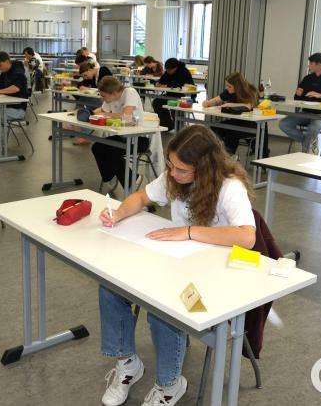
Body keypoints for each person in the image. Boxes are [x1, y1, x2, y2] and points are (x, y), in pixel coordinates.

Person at [98, 125, 257, 406]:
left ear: (205, 167)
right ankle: (128, 364)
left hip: (214, 277)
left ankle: (170, 385)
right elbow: (142, 197)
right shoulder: (175, 177)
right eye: (171, 166)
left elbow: (246, 236)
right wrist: (118, 213)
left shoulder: (230, 188)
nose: (173, 174)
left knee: (164, 308)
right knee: (110, 285)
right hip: (177, 263)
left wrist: (188, 231)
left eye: (181, 169)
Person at [92, 77, 148, 194]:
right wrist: (88, 113)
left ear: (114, 93)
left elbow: (126, 116)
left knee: (113, 150)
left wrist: (104, 114)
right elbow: (100, 111)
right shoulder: (110, 99)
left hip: (138, 139)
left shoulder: (130, 92)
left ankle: (133, 180)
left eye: (104, 96)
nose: (102, 98)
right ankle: (110, 177)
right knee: (97, 147)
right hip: (123, 136)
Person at [279, 52, 321, 154]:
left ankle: (306, 150)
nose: (309, 66)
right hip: (306, 112)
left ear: (319, 65)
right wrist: (298, 94)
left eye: (311, 63)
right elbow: (297, 99)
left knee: (313, 128)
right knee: (284, 124)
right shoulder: (308, 78)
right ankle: (307, 143)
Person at [203, 72, 270, 158]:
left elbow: (249, 105)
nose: (227, 88)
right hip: (237, 121)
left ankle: (229, 157)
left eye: (229, 86)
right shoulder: (229, 91)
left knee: (231, 133)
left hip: (252, 123)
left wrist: (229, 105)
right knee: (215, 128)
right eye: (226, 85)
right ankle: (220, 155)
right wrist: (208, 103)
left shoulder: (251, 90)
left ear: (238, 86)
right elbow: (217, 100)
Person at [152, 58, 195, 129]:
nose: (168, 72)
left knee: (176, 106)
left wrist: (168, 85)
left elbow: (188, 85)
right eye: (167, 70)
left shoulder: (184, 71)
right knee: (157, 102)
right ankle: (167, 125)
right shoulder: (168, 72)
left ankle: (179, 127)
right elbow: (162, 80)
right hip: (170, 95)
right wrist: (158, 83)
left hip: (183, 96)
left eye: (170, 70)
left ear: (176, 68)